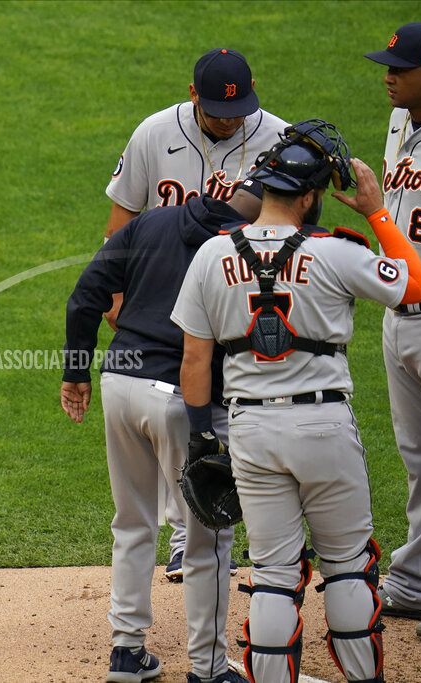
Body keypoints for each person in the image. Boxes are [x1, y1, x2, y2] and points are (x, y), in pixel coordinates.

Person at [172, 119, 421, 683]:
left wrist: (199, 437)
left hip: (251, 433)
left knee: (274, 573)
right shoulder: (336, 252)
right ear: (310, 197)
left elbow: (194, 361)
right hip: (324, 426)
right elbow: (413, 285)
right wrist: (376, 212)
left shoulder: (211, 257)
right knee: (346, 566)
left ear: (264, 189)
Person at [61, 178, 264, 682]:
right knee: (207, 539)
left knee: (132, 522)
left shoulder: (150, 220)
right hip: (182, 398)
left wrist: (75, 371)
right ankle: (210, 668)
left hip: (120, 384)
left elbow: (84, 296)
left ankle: (126, 653)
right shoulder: (242, 247)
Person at [104, 46, 288, 578]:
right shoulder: (153, 133)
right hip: (166, 300)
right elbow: (122, 220)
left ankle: (258, 531)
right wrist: (118, 292)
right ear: (192, 96)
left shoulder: (276, 137)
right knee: (183, 413)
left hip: (243, 297)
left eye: (239, 111)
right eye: (217, 111)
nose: (231, 121)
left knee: (249, 412)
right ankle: (191, 533)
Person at [364, 20, 421, 643]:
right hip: (400, 316)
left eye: (399, 68)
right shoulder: (399, 125)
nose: (387, 76)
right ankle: (417, 581)